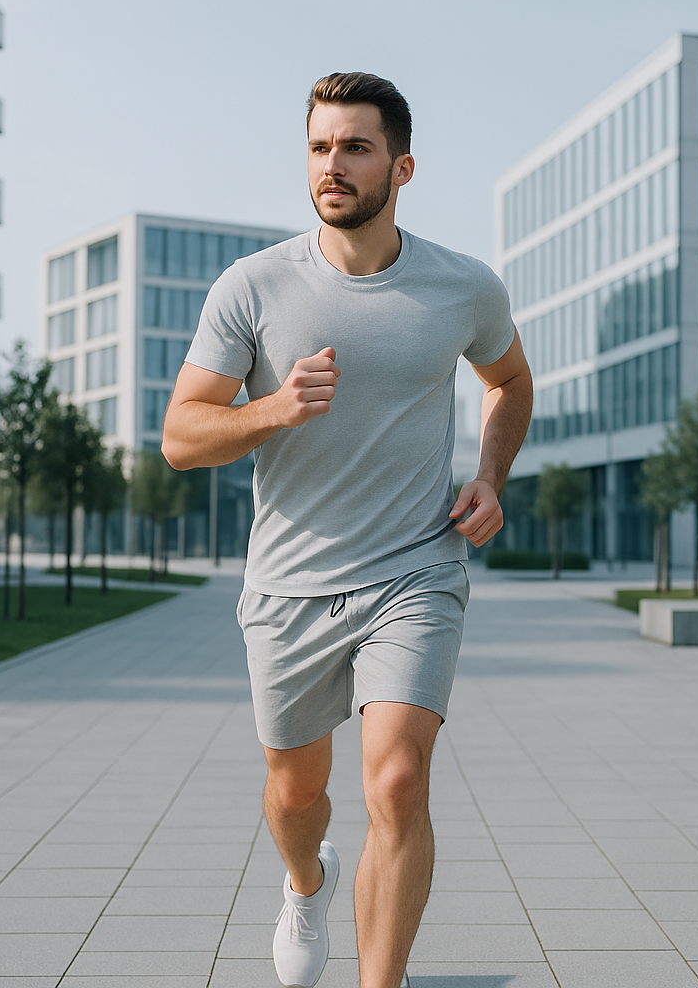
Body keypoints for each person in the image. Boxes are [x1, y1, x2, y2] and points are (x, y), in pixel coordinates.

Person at [162, 71, 532, 988]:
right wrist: (273, 411)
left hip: (416, 569)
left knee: (398, 782)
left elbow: (509, 382)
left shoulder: (463, 286)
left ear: (402, 167)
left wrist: (489, 475)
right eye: (321, 146)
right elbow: (180, 436)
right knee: (298, 794)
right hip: (289, 584)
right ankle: (305, 880)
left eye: (356, 146)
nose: (333, 164)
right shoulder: (252, 287)